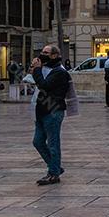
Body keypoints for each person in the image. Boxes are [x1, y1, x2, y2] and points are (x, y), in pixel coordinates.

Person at [30, 44, 71, 185]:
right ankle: (56, 168)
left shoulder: (59, 72)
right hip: (41, 111)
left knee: (53, 144)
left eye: (46, 52)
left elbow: (44, 86)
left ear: (54, 55)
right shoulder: (46, 69)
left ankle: (53, 174)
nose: (42, 54)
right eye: (42, 51)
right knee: (37, 141)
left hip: (53, 112)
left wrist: (36, 70)